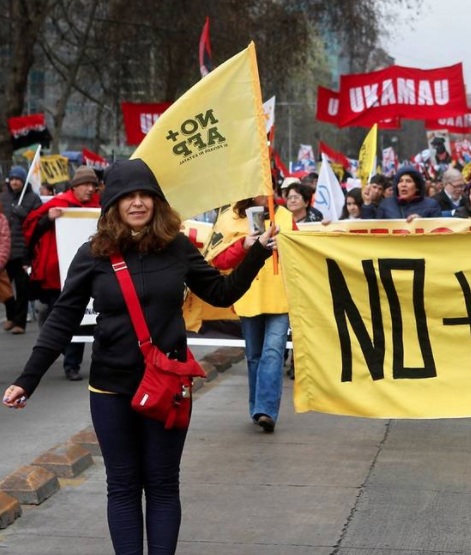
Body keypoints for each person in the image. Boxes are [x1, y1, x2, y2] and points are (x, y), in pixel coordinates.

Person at [3, 159, 275, 555]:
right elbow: (61, 320)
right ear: (112, 203)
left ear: (157, 201)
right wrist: (27, 379)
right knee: (123, 485)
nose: (137, 203)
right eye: (128, 196)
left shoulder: (178, 246)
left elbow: (220, 294)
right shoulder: (93, 253)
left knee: (163, 484)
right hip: (111, 389)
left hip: (167, 389)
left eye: (145, 195)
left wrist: (257, 254)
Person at [211, 197, 293, 432]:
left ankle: (266, 410)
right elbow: (218, 259)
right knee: (254, 355)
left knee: (273, 352)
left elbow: (301, 255)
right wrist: (244, 245)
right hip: (247, 295)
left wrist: (286, 246)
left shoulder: (285, 216)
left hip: (280, 296)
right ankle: (257, 408)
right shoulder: (230, 218)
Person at [23, 166, 101, 381]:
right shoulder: (57, 205)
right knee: (64, 317)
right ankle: (64, 351)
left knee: (84, 319)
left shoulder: (99, 208)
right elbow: (31, 230)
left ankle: (72, 365)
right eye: (86, 185)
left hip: (88, 273)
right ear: (74, 186)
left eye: (93, 185)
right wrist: (47, 219)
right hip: (56, 273)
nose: (90, 189)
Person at [1, 165, 42, 334]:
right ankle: (11, 316)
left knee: (22, 289)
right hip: (5, 251)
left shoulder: (33, 199)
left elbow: (40, 222)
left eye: (18, 179)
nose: (15, 182)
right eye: (12, 179)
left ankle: (20, 322)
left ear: (24, 181)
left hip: (24, 252)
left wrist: (24, 213)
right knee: (5, 288)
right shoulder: (3, 198)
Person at [376, 166, 441, 221]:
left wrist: (422, 223)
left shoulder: (432, 206)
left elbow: (438, 232)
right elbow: (374, 230)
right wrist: (367, 204)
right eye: (400, 181)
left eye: (408, 181)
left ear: (417, 187)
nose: (403, 185)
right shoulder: (386, 204)